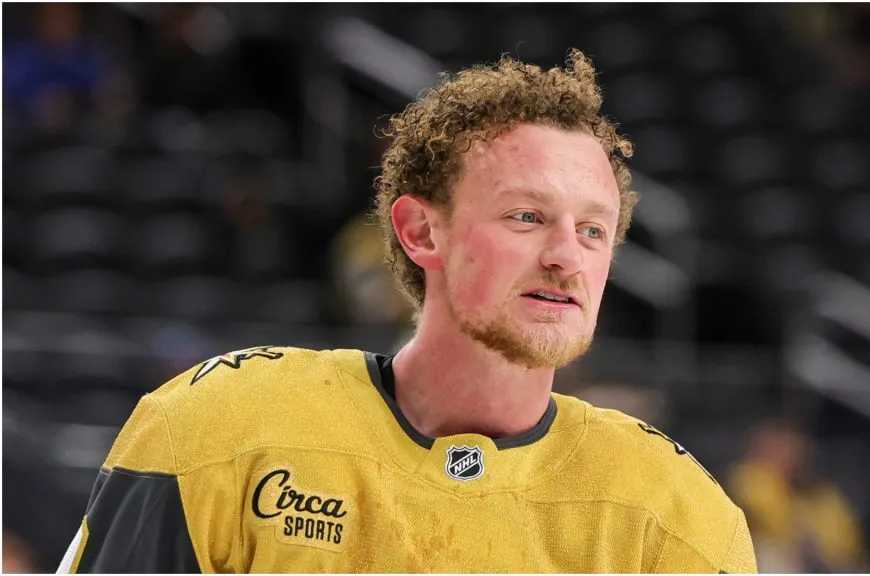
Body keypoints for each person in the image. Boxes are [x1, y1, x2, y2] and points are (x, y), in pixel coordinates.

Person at [58, 50, 757, 573]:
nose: (566, 257)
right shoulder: (217, 431)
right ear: (423, 232)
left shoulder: (670, 513)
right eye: (526, 216)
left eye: (594, 230)